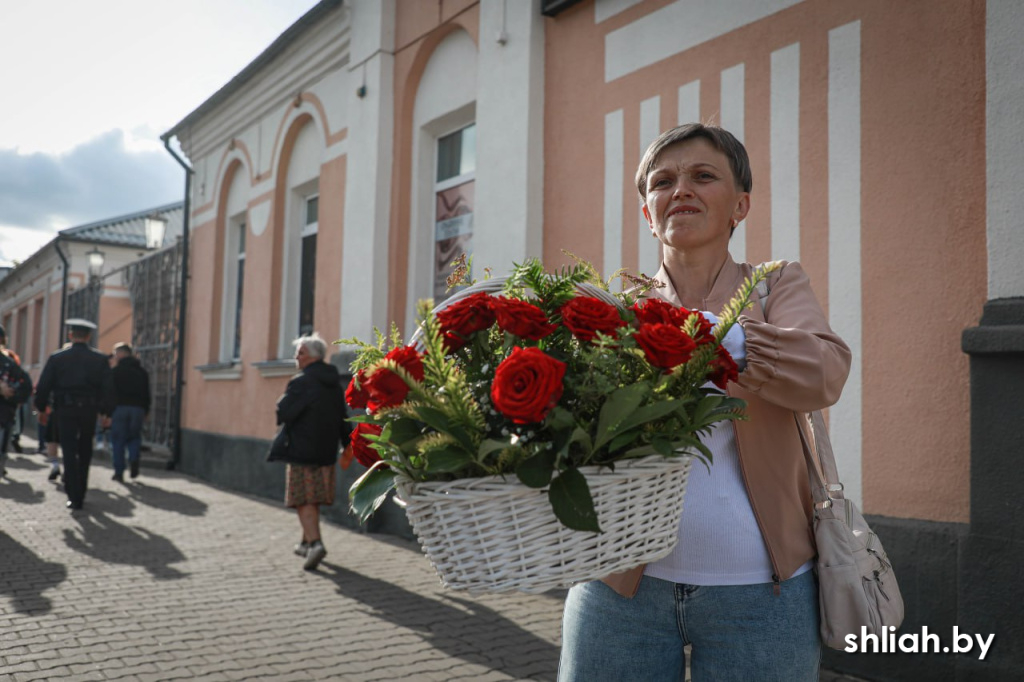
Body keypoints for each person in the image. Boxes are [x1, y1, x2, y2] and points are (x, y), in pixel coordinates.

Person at [557, 124, 852, 682]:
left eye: (703, 176)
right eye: (663, 181)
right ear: (648, 212)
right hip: (619, 587)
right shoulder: (615, 308)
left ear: (740, 205)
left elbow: (825, 371)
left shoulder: (775, 285)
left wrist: (705, 335)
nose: (681, 190)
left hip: (763, 591)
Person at [268, 332, 350, 571]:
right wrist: (347, 445)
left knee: (303, 500)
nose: (296, 356)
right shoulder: (334, 383)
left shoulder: (301, 382)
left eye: (300, 352)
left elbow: (284, 412)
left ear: (312, 357)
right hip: (326, 451)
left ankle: (315, 544)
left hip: (301, 451)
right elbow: (343, 418)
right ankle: (304, 543)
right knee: (312, 498)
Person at [34, 319, 115, 511]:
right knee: (85, 449)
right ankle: (82, 491)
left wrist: (41, 408)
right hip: (89, 410)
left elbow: (44, 386)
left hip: (65, 410)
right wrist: (107, 413)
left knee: (69, 450)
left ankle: (73, 494)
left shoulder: (57, 358)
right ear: (88, 337)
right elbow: (109, 389)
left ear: (70, 336)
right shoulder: (100, 359)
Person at [109, 343, 151, 482]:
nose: (114, 357)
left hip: (120, 409)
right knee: (134, 437)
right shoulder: (142, 372)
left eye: (116, 354)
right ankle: (134, 460)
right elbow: (147, 393)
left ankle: (119, 472)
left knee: (118, 441)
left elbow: (110, 393)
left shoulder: (115, 372)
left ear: (121, 354)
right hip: (138, 409)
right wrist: (146, 409)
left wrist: (107, 411)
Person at [0, 325, 32, 478]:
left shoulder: (10, 363)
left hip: (4, 410)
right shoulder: (10, 363)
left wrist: (12, 395)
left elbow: (25, 386)